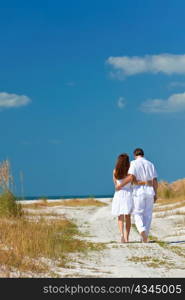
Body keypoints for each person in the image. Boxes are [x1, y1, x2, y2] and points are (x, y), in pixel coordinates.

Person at [116, 148, 158, 243]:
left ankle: (142, 230)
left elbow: (131, 177)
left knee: (138, 213)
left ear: (135, 155)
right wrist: (156, 193)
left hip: (138, 191)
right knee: (148, 214)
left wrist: (123, 185)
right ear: (143, 154)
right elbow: (155, 180)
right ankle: (145, 235)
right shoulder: (151, 164)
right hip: (150, 191)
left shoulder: (133, 163)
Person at [112, 153, 133, 243]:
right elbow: (132, 182)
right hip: (128, 194)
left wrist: (120, 185)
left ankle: (121, 235)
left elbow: (116, 185)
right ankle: (127, 238)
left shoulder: (115, 171)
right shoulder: (130, 172)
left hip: (118, 194)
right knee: (128, 216)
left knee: (120, 216)